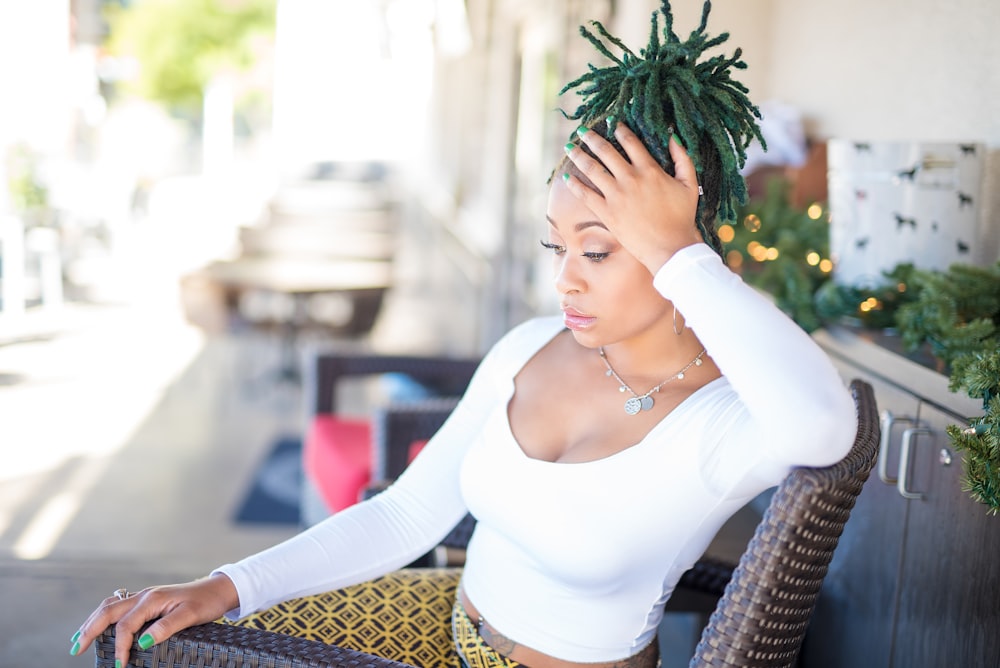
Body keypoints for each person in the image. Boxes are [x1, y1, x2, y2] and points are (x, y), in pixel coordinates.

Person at [70, 2, 857, 667]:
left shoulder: (725, 421)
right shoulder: (533, 347)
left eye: (599, 249)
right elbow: (406, 515)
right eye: (558, 245)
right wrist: (225, 583)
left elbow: (827, 427)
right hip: (443, 621)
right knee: (169, 639)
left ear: (683, 251)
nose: (566, 279)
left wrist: (681, 254)